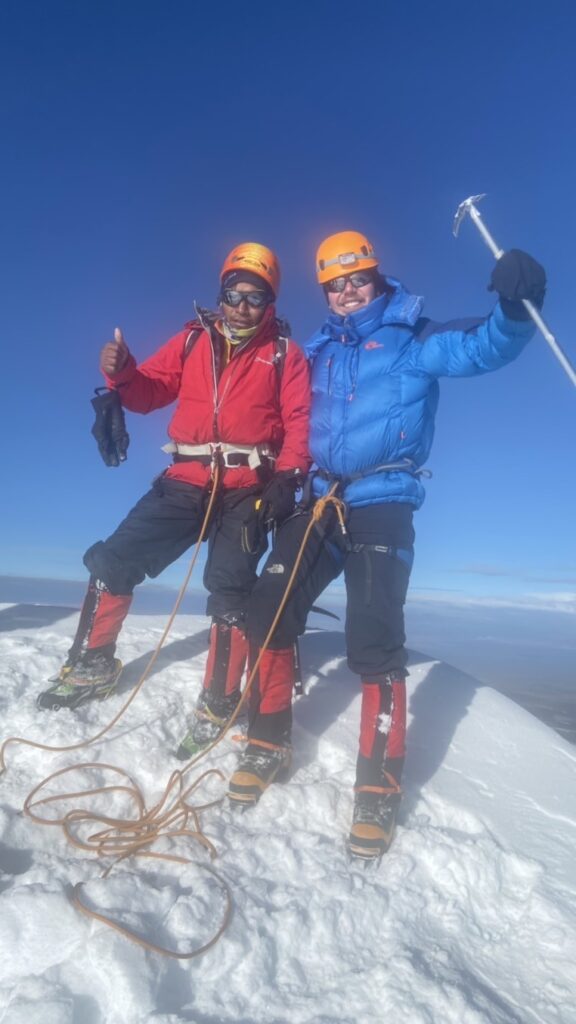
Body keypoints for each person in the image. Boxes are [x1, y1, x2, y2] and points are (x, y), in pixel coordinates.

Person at [224, 229, 546, 860]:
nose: (346, 291)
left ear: (376, 277)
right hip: (319, 499)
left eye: (357, 278)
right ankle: (268, 739)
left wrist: (515, 307)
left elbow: (483, 348)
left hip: (383, 498)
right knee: (268, 606)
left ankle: (379, 779)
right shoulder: (314, 350)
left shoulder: (413, 335)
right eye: (334, 284)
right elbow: (274, 409)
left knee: (372, 636)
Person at [37, 242, 311, 760]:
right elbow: (147, 392)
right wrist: (120, 373)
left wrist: (289, 476)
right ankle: (92, 665)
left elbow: (298, 421)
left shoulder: (284, 354)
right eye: (235, 294)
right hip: (184, 478)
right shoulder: (191, 342)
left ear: (269, 303)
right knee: (113, 560)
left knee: (230, 592)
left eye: (256, 297)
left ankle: (218, 700)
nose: (243, 306)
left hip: (249, 486)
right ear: (222, 293)